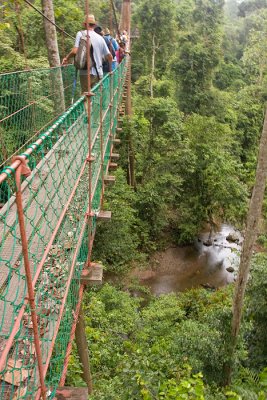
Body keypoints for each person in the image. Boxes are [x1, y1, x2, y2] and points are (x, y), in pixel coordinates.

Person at [62, 15, 113, 91]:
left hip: (85, 73)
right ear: (94, 25)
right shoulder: (101, 38)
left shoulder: (81, 34)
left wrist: (66, 58)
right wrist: (109, 69)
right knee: (97, 98)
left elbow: (74, 51)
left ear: (84, 24)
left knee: (86, 98)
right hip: (99, 74)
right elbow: (110, 57)